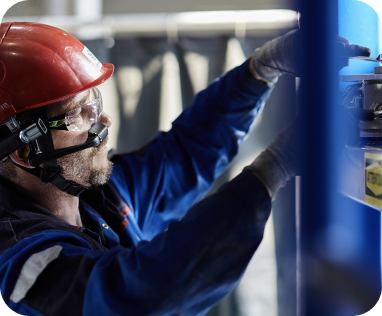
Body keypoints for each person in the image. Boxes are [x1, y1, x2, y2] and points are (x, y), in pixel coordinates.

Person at [0, 22, 369, 316]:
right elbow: (138, 298)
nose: (104, 121)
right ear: (26, 151)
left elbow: (185, 154)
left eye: (94, 103)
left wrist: (261, 69)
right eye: (81, 114)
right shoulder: (17, 267)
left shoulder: (96, 198)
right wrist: (277, 166)